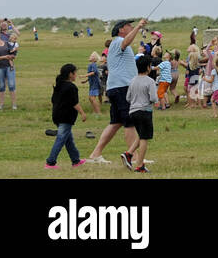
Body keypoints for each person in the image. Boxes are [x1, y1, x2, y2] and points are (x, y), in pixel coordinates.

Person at [83, 18, 148, 164]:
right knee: (129, 123)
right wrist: (138, 27)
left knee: (115, 123)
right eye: (129, 25)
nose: (131, 27)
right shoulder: (119, 41)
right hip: (122, 88)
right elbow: (126, 42)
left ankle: (95, 154)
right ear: (121, 29)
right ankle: (136, 158)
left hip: (116, 88)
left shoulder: (117, 43)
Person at [45, 63, 87, 168]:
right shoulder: (71, 87)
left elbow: (53, 100)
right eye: (75, 73)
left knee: (68, 140)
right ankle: (50, 162)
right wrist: (82, 113)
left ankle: (76, 160)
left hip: (57, 115)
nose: (76, 75)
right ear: (70, 74)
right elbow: (74, 103)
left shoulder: (59, 85)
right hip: (66, 117)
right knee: (61, 139)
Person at [123, 55, 157, 172]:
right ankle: (140, 165)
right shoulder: (150, 81)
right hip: (145, 111)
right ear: (148, 67)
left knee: (141, 135)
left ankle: (129, 153)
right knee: (144, 138)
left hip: (133, 112)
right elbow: (153, 98)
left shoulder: (132, 81)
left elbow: (128, 98)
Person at [0, 20, 18, 110]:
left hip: (9, 65)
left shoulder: (8, 40)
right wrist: (5, 57)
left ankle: (14, 105)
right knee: (2, 86)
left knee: (11, 85)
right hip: (0, 65)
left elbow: (17, 34)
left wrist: (12, 56)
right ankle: (1, 104)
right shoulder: (0, 36)